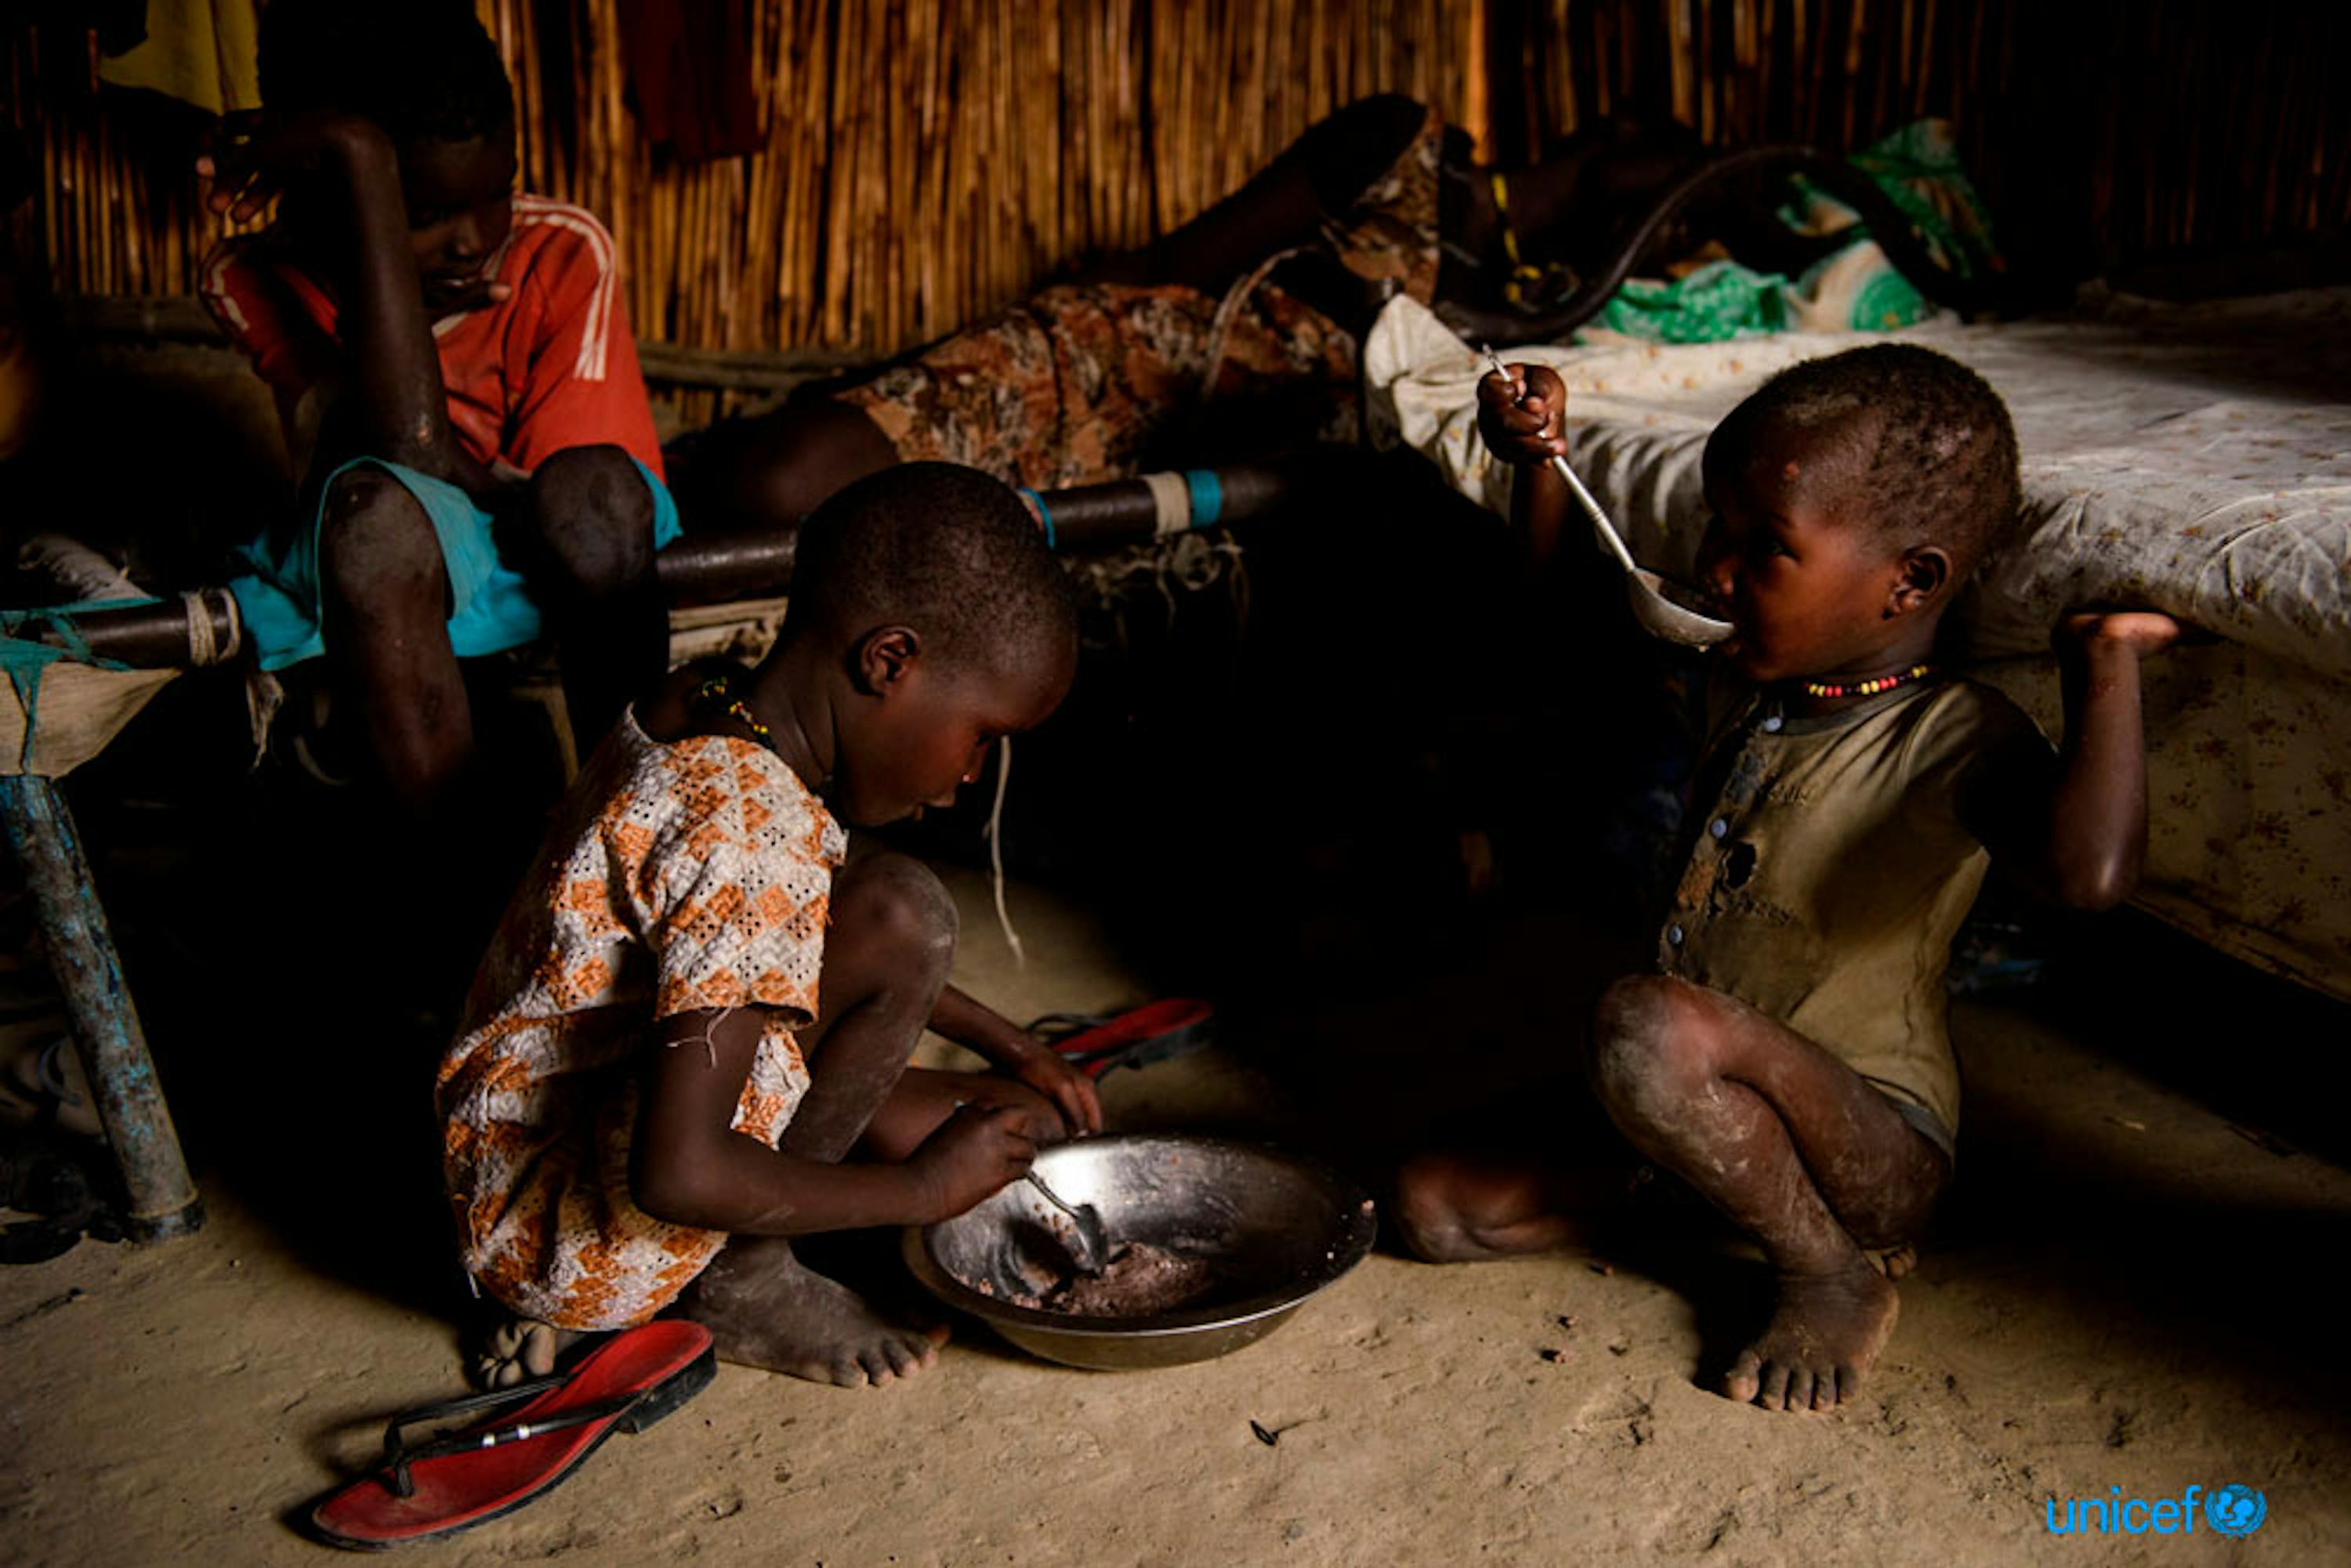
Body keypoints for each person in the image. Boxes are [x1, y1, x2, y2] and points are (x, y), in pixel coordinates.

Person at [1396, 344, 2181, 1411]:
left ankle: (1828, 1267)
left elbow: (2086, 876)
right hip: (1691, 1105)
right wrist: (1543, 460)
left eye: (1763, 547)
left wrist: (2103, 668)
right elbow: (1557, 621)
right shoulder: (1745, 677)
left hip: (1874, 1151)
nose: (1715, 568)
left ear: (1910, 582)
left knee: (1645, 1025)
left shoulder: (1947, 734)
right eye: (1719, 526)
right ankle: (1719, 1190)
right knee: (1433, 1205)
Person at [440, 463, 1099, 1390]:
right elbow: (677, 1174)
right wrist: (921, 1193)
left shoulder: (708, 702)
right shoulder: (749, 837)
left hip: (516, 1141)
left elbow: (777, 934)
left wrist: (1011, 1044)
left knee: (1012, 1119)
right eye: (982, 733)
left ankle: (819, 1194)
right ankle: (743, 1281)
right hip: (570, 1231)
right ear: (889, 660)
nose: (969, 777)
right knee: (906, 916)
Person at [196, 0, 675, 813]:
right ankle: (456, 885)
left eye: (495, 195)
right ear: (336, 189)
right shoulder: (251, 277)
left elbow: (566, 505)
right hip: (384, 570)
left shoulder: (559, 249)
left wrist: (469, 479)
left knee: (591, 491)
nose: (470, 238)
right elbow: (400, 447)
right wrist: (360, 159)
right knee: (373, 524)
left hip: (548, 544)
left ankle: (629, 820)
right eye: (419, 215)